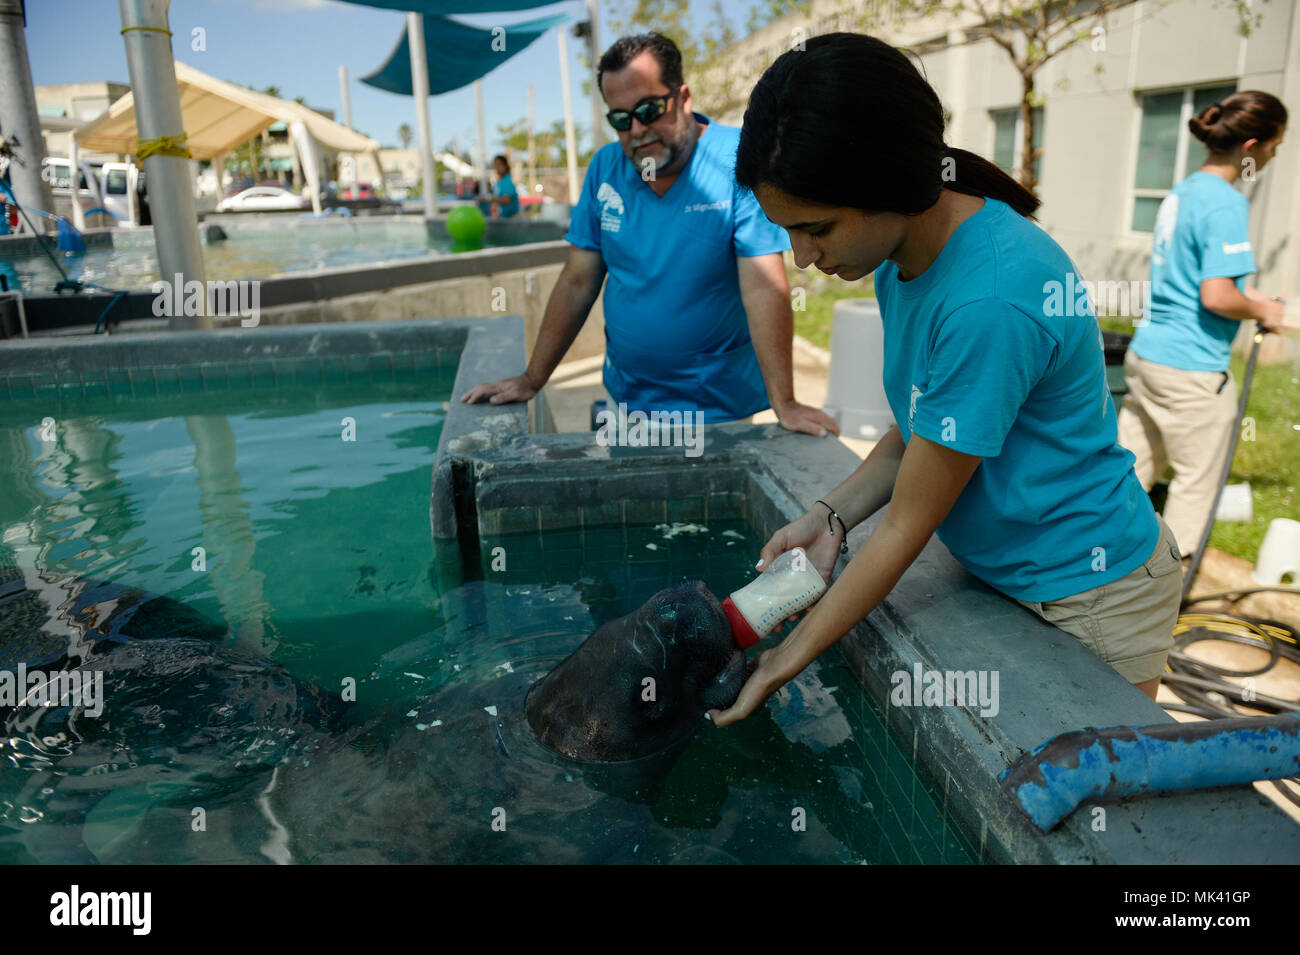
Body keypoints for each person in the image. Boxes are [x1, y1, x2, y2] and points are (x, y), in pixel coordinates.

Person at [711, 32, 1183, 727]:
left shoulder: (989, 300)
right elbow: (920, 430)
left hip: (1089, 591)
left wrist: (788, 657)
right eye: (789, 233)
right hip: (1009, 572)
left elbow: (906, 524)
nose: (803, 259)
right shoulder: (906, 255)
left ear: (890, 186)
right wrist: (828, 516)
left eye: (816, 228)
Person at [461, 33, 837, 434]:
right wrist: (532, 378)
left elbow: (763, 287)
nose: (637, 129)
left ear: (683, 97)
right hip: (628, 401)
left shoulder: (738, 161)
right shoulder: (605, 168)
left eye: (650, 109)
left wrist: (786, 402)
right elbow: (577, 282)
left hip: (719, 409)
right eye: (621, 119)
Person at [1116, 92, 1289, 559]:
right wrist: (1264, 311)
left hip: (1148, 357)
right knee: (1195, 490)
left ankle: (1095, 571)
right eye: (1275, 146)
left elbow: (1190, 278)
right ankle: (1169, 595)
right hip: (1193, 371)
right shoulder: (1225, 203)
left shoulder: (1185, 190)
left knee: (1123, 479)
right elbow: (1216, 296)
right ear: (1251, 145)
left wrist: (1253, 299)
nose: (1273, 156)